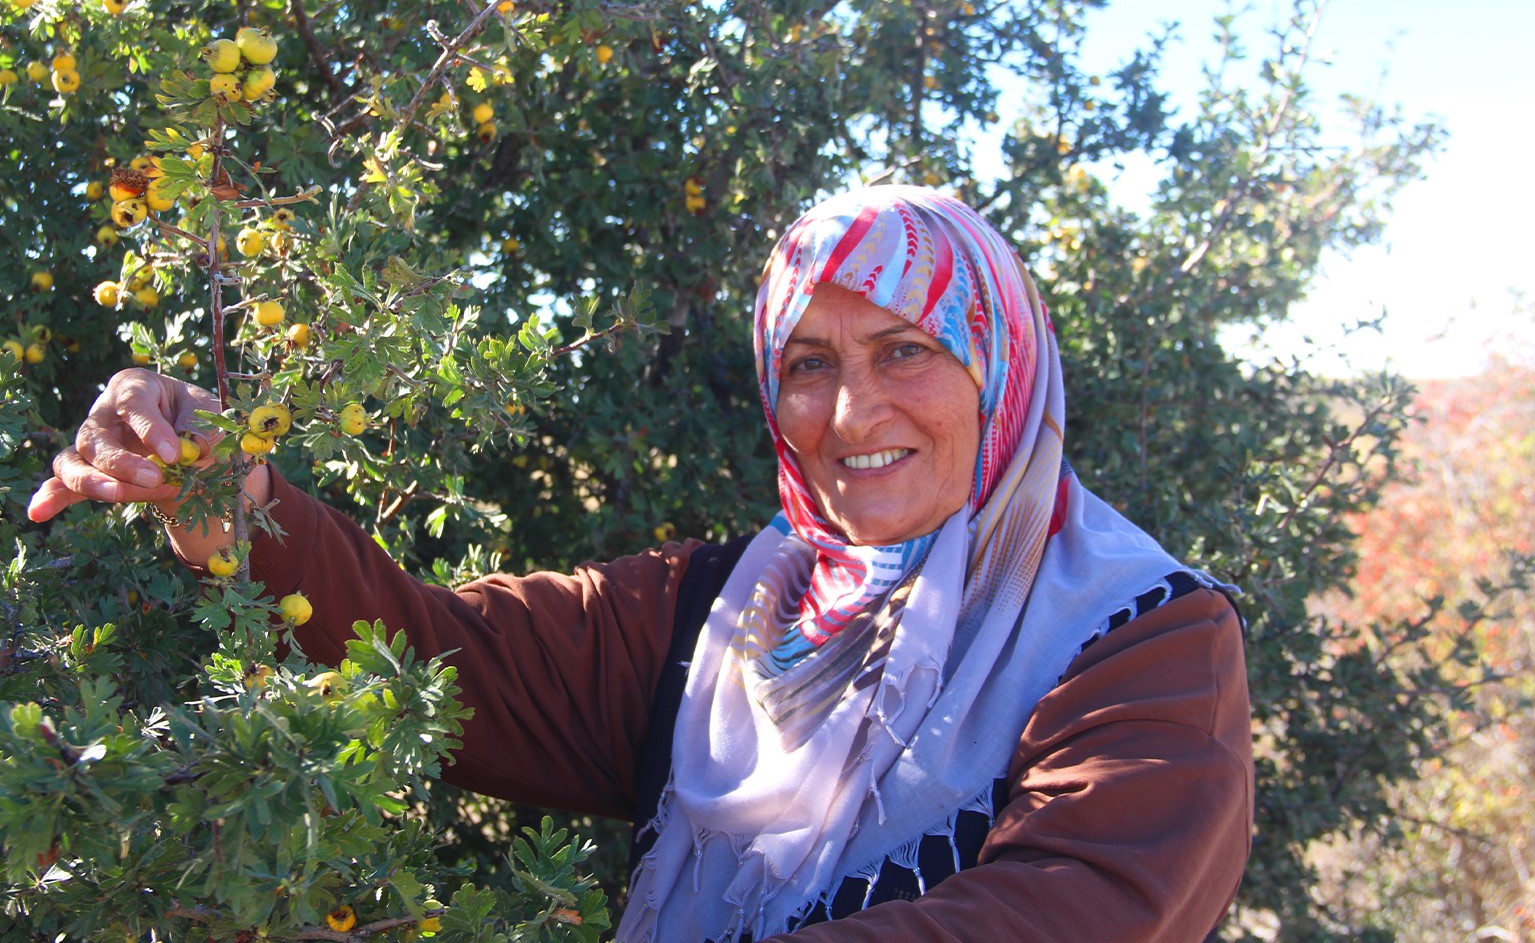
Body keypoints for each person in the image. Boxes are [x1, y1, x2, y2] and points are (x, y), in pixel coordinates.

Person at [29, 184, 1253, 941]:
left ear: (1005, 367)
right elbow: (444, 662)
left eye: (906, 351)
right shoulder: (729, 610)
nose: (848, 411)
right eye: (809, 363)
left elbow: (1071, 915)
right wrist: (241, 502)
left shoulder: (1139, 641)